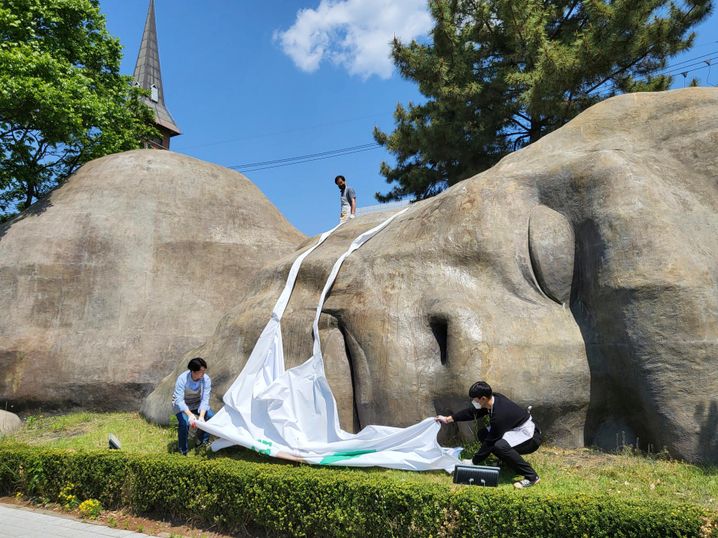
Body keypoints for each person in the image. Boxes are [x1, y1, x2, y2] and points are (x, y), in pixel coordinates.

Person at [435, 381, 542, 488]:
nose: (473, 401)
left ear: (483, 399)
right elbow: (473, 413)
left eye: (474, 399)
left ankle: (532, 476)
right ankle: (508, 463)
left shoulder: (499, 415)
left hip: (530, 437)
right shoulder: (492, 400)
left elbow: (490, 442)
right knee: (483, 434)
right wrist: (448, 419)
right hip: (513, 428)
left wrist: (473, 462)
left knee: (499, 445)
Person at [172, 357, 214, 455]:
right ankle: (183, 450)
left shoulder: (206, 379)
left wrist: (202, 417)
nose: (203, 374)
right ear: (193, 371)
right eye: (201, 372)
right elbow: (179, 400)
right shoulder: (182, 379)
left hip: (197, 403)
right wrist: (190, 415)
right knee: (185, 423)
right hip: (181, 405)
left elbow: (205, 399)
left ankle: (201, 442)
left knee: (210, 417)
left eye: (204, 371)